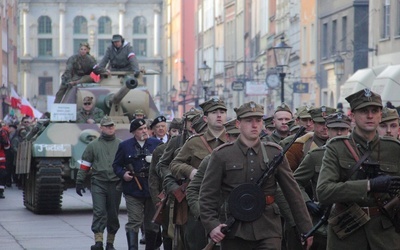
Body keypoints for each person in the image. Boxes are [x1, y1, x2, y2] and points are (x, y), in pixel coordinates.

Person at [199, 101, 313, 250]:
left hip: (268, 228)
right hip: (235, 230)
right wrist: (212, 225)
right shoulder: (222, 155)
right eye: (248, 121)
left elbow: (293, 193)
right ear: (238, 124)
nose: (254, 125)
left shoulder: (274, 152)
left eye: (258, 120)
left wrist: (306, 228)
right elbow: (207, 195)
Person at [317, 88, 400, 249]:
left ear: (380, 115)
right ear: (352, 116)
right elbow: (324, 191)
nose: (370, 116)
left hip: (385, 233)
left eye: (374, 111)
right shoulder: (337, 148)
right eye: (364, 111)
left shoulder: (394, 149)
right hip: (348, 232)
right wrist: (369, 186)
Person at [169, 98, 228, 250]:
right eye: (214, 113)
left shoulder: (233, 140)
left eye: (222, 112)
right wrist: (191, 171)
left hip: (227, 205)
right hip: (199, 203)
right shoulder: (194, 142)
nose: (219, 116)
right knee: (197, 243)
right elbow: (174, 164)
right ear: (205, 118)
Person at [294, 112, 351, 250]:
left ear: (349, 130)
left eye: (343, 129)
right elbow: (295, 182)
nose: (339, 133)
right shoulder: (316, 155)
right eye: (334, 129)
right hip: (324, 219)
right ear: (328, 129)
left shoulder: (359, 155)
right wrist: (307, 202)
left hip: (353, 219)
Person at [113, 119, 162, 250]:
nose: (144, 131)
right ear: (134, 132)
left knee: (152, 223)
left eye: (145, 128)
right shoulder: (125, 146)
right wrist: (123, 174)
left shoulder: (156, 144)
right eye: (140, 129)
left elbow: (164, 163)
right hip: (133, 189)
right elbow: (116, 165)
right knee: (134, 221)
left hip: (152, 189)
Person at [75, 116, 122, 250]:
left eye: (112, 126)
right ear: (101, 128)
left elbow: (127, 164)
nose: (110, 128)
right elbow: (85, 165)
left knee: (113, 214)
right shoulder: (93, 145)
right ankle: (99, 241)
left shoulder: (121, 144)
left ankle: (110, 243)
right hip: (98, 183)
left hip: (115, 183)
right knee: (99, 212)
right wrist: (79, 181)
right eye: (107, 126)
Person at [148, 117, 183, 250]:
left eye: (180, 131)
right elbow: (153, 178)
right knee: (167, 232)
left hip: (185, 195)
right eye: (174, 130)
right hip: (166, 197)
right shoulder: (160, 150)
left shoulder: (190, 148)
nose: (177, 134)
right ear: (169, 131)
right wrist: (156, 199)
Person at [285, 106, 336, 172]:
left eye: (328, 123)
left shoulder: (342, 144)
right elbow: (288, 175)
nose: (325, 127)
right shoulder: (299, 146)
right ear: (313, 122)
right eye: (321, 123)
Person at [0, 124, 10, 198]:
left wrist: (4, 140)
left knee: (2, 174)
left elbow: (7, 146)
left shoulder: (3, 133)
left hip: (1, 157)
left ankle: (1, 191)